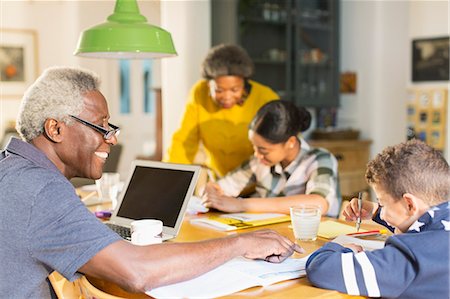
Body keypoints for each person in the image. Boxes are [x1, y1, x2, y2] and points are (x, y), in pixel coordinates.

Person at [0, 66, 303, 298]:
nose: (113, 137)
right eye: (101, 126)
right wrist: (239, 243)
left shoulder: (11, 167)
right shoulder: (41, 190)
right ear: (55, 129)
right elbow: (136, 271)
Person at [306, 139, 450, 299]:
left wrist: (341, 247)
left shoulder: (411, 256)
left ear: (409, 204)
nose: (382, 213)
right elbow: (422, 225)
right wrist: (376, 210)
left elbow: (321, 270)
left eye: (383, 203)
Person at [202, 100, 341, 217]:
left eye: (263, 150)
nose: (257, 154)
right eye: (254, 147)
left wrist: (242, 204)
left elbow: (318, 203)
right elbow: (221, 186)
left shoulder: (320, 159)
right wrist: (212, 191)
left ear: (290, 142)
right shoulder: (260, 161)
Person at [164, 44, 279, 178]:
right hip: (220, 183)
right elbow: (184, 142)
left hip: (259, 183)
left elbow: (281, 146)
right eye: (219, 90)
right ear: (208, 84)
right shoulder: (199, 94)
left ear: (245, 83)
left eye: (235, 90)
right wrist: (168, 177)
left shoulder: (265, 97)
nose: (227, 97)